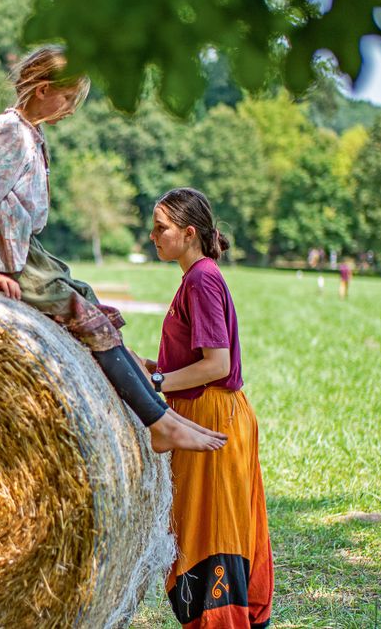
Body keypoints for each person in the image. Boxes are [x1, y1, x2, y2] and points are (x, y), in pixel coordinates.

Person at [0, 45, 225, 454]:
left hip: (25, 253)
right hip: (7, 262)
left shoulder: (30, 133)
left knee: (91, 305)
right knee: (87, 318)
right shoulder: (10, 134)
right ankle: (158, 422)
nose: (72, 109)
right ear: (43, 89)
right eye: (68, 98)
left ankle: (157, 413)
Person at [147, 188, 273, 628]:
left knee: (211, 533)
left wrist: (159, 381)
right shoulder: (198, 277)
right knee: (202, 529)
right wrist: (153, 367)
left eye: (161, 228)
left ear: (189, 232)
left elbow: (216, 364)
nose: (153, 236)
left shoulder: (201, 278)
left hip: (214, 416)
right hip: (207, 412)